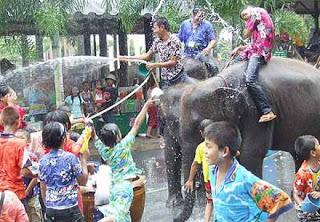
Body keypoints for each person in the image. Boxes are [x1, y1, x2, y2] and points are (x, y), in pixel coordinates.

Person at [204, 121, 293, 221]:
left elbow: (279, 200)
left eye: (209, 146)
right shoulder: (213, 171)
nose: (205, 151)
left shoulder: (243, 178)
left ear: (225, 151)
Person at [93, 99, 154, 221]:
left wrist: (89, 125)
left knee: (124, 216)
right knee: (118, 216)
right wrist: (146, 105)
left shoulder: (104, 151)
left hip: (113, 186)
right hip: (124, 186)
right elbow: (136, 124)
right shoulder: (123, 146)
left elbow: (94, 137)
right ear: (117, 136)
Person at [230, 6, 277, 123]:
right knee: (233, 63)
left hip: (260, 52)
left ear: (249, 8)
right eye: (244, 18)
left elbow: (245, 34)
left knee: (250, 80)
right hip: (253, 50)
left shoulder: (257, 12)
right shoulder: (256, 23)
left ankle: (267, 110)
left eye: (245, 15)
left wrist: (247, 25)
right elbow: (253, 41)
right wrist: (240, 48)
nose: (245, 18)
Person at [120, 17, 194, 89]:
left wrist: (155, 65)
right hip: (166, 80)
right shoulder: (157, 41)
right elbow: (147, 56)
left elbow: (172, 62)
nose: (153, 31)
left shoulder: (174, 41)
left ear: (162, 27)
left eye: (155, 28)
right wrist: (127, 58)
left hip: (178, 78)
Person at [39, 122, 89, 222]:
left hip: (51, 209)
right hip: (69, 208)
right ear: (63, 138)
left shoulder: (42, 161)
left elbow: (43, 187)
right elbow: (82, 181)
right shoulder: (70, 158)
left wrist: (49, 204)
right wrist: (83, 160)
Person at [0, 106, 32, 201]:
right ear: (18, 122)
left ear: (2, 122)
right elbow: (25, 171)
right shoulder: (19, 143)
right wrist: (37, 173)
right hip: (15, 193)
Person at [184, 119, 213, 222]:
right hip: (220, 180)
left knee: (210, 202)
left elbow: (195, 165)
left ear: (201, 133)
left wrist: (190, 179)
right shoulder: (220, 144)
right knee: (220, 201)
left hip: (208, 181)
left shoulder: (200, 147)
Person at [178, 7, 218, 76]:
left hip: (201, 54)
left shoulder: (207, 25)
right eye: (199, 16)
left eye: (203, 16)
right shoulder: (184, 24)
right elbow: (179, 39)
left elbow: (213, 40)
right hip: (186, 54)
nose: (201, 18)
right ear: (192, 15)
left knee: (214, 68)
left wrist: (208, 48)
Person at [15, 129, 43, 222]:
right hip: (17, 195)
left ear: (28, 142)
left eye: (21, 138)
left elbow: (35, 177)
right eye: (16, 138)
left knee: (34, 215)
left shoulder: (31, 157)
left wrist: (27, 191)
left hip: (31, 194)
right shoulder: (13, 157)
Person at [293, 135, 320, 221]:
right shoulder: (302, 174)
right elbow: (296, 194)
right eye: (318, 145)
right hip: (308, 212)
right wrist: (303, 206)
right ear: (313, 153)